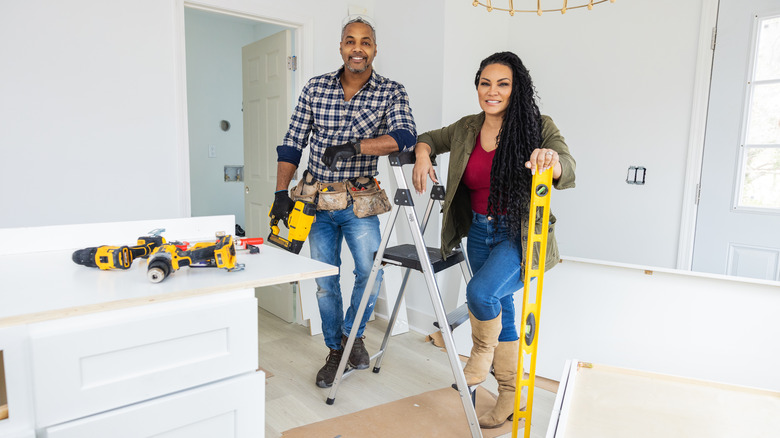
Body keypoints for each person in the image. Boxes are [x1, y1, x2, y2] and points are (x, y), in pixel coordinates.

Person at [412, 51, 575, 429]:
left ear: (516, 88)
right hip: (480, 232)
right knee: (503, 310)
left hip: (520, 234)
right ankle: (510, 398)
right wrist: (423, 155)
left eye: (502, 84)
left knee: (480, 294)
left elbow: (568, 167)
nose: (492, 91)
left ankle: (478, 356)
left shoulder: (538, 125)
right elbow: (428, 139)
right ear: (478, 87)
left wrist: (552, 159)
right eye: (485, 83)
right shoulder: (467, 127)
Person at [271, 15, 417, 389]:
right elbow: (292, 142)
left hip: (360, 201)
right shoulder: (315, 87)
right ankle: (336, 349)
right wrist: (279, 193)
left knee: (370, 272)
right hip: (314, 202)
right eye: (350, 41)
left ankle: (354, 336)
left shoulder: (390, 91)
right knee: (325, 279)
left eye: (365, 42)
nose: (357, 48)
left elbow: (403, 136)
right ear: (340, 47)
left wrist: (354, 148)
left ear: (374, 49)